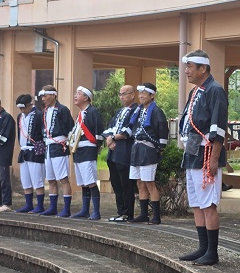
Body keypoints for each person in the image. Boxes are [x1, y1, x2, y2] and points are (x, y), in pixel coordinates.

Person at [177, 50, 229, 266]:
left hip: (207, 152)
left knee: (208, 204)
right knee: (197, 203)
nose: (186, 71)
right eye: (186, 66)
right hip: (192, 152)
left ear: (203, 68)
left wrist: (214, 159)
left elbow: (218, 127)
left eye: (190, 67)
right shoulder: (196, 91)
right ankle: (202, 247)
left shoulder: (215, 90)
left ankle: (212, 252)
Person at [128, 82, 168, 224]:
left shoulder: (156, 111)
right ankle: (144, 214)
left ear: (152, 95)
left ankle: (156, 216)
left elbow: (162, 129)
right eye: (140, 94)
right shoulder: (138, 111)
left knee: (149, 182)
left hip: (148, 149)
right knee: (139, 182)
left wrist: (160, 147)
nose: (141, 96)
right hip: (137, 148)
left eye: (144, 94)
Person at [68, 86, 104, 220]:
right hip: (79, 150)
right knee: (83, 182)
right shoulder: (80, 114)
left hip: (88, 150)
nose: (75, 96)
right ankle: (85, 210)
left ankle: (96, 211)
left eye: (78, 94)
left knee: (90, 181)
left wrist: (97, 147)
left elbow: (99, 132)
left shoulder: (93, 112)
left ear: (86, 98)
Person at [39, 85, 75, 217]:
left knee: (63, 179)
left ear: (53, 95)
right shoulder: (45, 111)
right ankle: (53, 207)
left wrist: (67, 142)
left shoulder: (62, 109)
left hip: (59, 146)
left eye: (45, 96)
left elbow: (70, 128)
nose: (43, 99)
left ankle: (66, 208)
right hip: (48, 146)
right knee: (51, 179)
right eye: (42, 96)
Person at [103, 85, 137, 222]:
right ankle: (120, 211)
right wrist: (109, 138)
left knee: (126, 183)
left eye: (125, 94)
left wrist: (113, 138)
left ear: (132, 95)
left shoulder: (136, 110)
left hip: (125, 151)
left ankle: (127, 213)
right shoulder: (119, 111)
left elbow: (129, 130)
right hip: (113, 152)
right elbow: (110, 127)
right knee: (116, 183)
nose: (122, 97)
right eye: (120, 94)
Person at [15, 94, 46, 213]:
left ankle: (40, 205)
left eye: (24, 108)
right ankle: (28, 204)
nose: (22, 110)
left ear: (30, 105)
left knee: (37, 179)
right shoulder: (20, 117)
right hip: (24, 150)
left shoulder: (39, 115)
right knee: (26, 180)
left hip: (35, 150)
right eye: (20, 108)